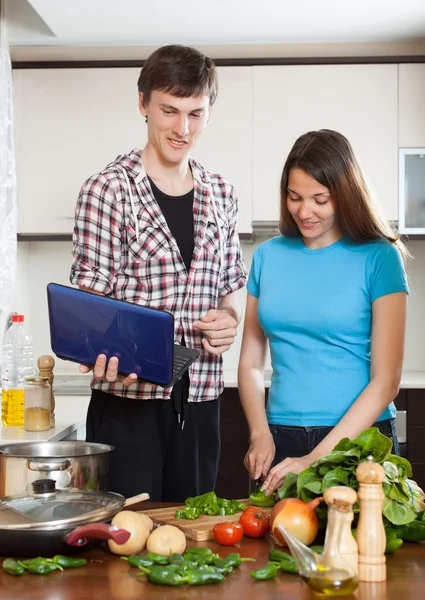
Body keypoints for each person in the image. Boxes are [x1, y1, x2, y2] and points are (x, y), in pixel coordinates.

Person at [70, 45, 247, 501]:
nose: (182, 128)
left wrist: (230, 319)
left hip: (204, 399)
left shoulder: (222, 195)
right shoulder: (107, 191)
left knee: (192, 538)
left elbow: (232, 287)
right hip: (127, 407)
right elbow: (89, 311)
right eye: (169, 110)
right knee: (125, 540)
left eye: (196, 113)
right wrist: (102, 349)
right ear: (143, 103)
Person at [238, 129, 409, 496]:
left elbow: (387, 380)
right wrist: (259, 433)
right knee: (273, 551)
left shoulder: (380, 257)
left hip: (359, 441)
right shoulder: (268, 256)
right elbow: (251, 362)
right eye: (294, 197)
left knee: (361, 552)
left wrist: (315, 458)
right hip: (280, 439)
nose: (304, 211)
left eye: (320, 199)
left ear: (344, 195)